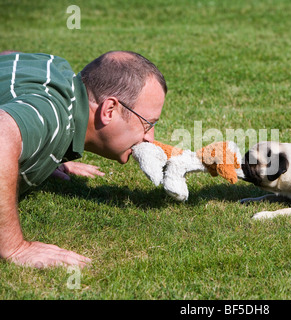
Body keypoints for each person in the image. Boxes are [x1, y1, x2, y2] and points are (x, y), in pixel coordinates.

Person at [0, 50, 167, 268]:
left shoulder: (57, 68)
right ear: (109, 109)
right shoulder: (53, 114)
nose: (150, 138)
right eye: (147, 123)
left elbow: (10, 57)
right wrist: (15, 247)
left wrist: (43, 148)